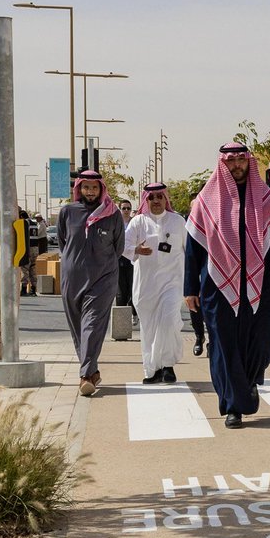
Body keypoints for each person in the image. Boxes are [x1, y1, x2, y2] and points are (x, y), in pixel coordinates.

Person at [185, 143, 270, 428]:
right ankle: (233, 405)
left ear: (249, 162)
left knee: (262, 341)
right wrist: (190, 288)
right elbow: (193, 249)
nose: (237, 165)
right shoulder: (205, 201)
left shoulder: (265, 199)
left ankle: (248, 382)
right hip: (217, 287)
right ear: (222, 164)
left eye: (241, 160)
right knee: (224, 345)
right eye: (231, 161)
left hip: (261, 284)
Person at [58, 169, 124, 397]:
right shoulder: (67, 212)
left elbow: (118, 247)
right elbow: (63, 243)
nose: (90, 191)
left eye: (94, 187)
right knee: (79, 328)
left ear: (101, 189)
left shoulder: (112, 214)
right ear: (79, 188)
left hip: (103, 278)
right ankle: (93, 371)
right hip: (72, 279)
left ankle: (85, 376)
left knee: (92, 324)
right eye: (86, 187)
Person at [125, 182, 187, 384]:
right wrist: (137, 250)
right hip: (146, 286)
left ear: (165, 198)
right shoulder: (138, 222)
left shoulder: (178, 221)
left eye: (160, 196)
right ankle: (153, 369)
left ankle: (168, 366)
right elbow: (123, 245)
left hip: (172, 283)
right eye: (152, 197)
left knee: (168, 321)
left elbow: (190, 251)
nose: (156, 201)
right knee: (150, 328)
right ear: (146, 200)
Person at [116, 200, 136, 322]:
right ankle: (121, 320)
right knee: (121, 290)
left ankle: (134, 313)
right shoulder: (116, 223)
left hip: (133, 258)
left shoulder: (135, 223)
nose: (126, 211)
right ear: (120, 210)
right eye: (124, 208)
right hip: (119, 259)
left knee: (133, 288)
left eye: (128, 208)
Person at [17, 206, 38, 297]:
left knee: (24, 268)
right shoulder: (34, 223)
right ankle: (33, 289)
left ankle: (24, 289)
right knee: (32, 268)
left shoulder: (24, 223)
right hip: (35, 249)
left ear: (21, 217)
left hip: (27, 248)